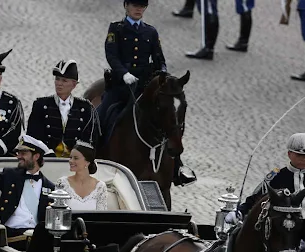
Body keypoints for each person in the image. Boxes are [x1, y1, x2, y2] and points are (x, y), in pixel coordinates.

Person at [100, 0, 195, 186]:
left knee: (168, 120)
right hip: (122, 86)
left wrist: (163, 76)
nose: (138, 9)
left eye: (142, 6)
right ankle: (91, 153)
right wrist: (123, 73)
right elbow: (111, 54)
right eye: (135, 5)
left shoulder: (150, 32)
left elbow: (159, 58)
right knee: (101, 114)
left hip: (145, 86)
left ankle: (177, 167)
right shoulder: (116, 29)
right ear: (126, 6)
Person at [226, 133, 305, 241]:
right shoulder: (276, 177)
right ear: (289, 154)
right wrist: (239, 212)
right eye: (299, 155)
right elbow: (256, 200)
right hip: (282, 235)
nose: (303, 159)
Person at [0, 133, 55, 250]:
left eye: (23, 153)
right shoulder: (10, 175)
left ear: (36, 156)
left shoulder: (50, 186)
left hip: (37, 238)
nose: (18, 156)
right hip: (10, 235)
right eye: (18, 153)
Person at [26, 59, 99, 158]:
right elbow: (32, 137)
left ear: (74, 84)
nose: (59, 83)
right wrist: (47, 153)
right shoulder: (41, 105)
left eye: (64, 80)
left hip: (75, 162)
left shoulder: (85, 108)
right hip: (46, 160)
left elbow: (90, 139)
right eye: (57, 79)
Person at [56, 140, 108, 210]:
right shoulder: (62, 183)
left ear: (87, 162)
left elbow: (102, 216)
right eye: (70, 157)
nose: (71, 161)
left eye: (76, 158)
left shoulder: (100, 187)